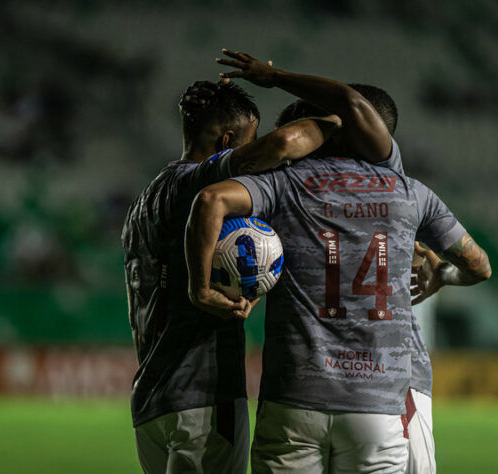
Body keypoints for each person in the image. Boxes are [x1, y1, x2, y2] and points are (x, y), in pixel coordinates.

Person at [186, 50, 492, 473]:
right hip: (382, 399)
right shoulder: (407, 189)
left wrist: (210, 286)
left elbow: (211, 200)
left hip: (295, 395)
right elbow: (480, 266)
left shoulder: (284, 187)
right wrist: (441, 272)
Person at [122, 79, 341, 474]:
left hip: (152, 399)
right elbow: (281, 145)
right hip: (203, 396)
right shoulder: (195, 183)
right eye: (246, 143)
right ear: (227, 141)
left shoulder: (143, 204)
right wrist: (347, 116)